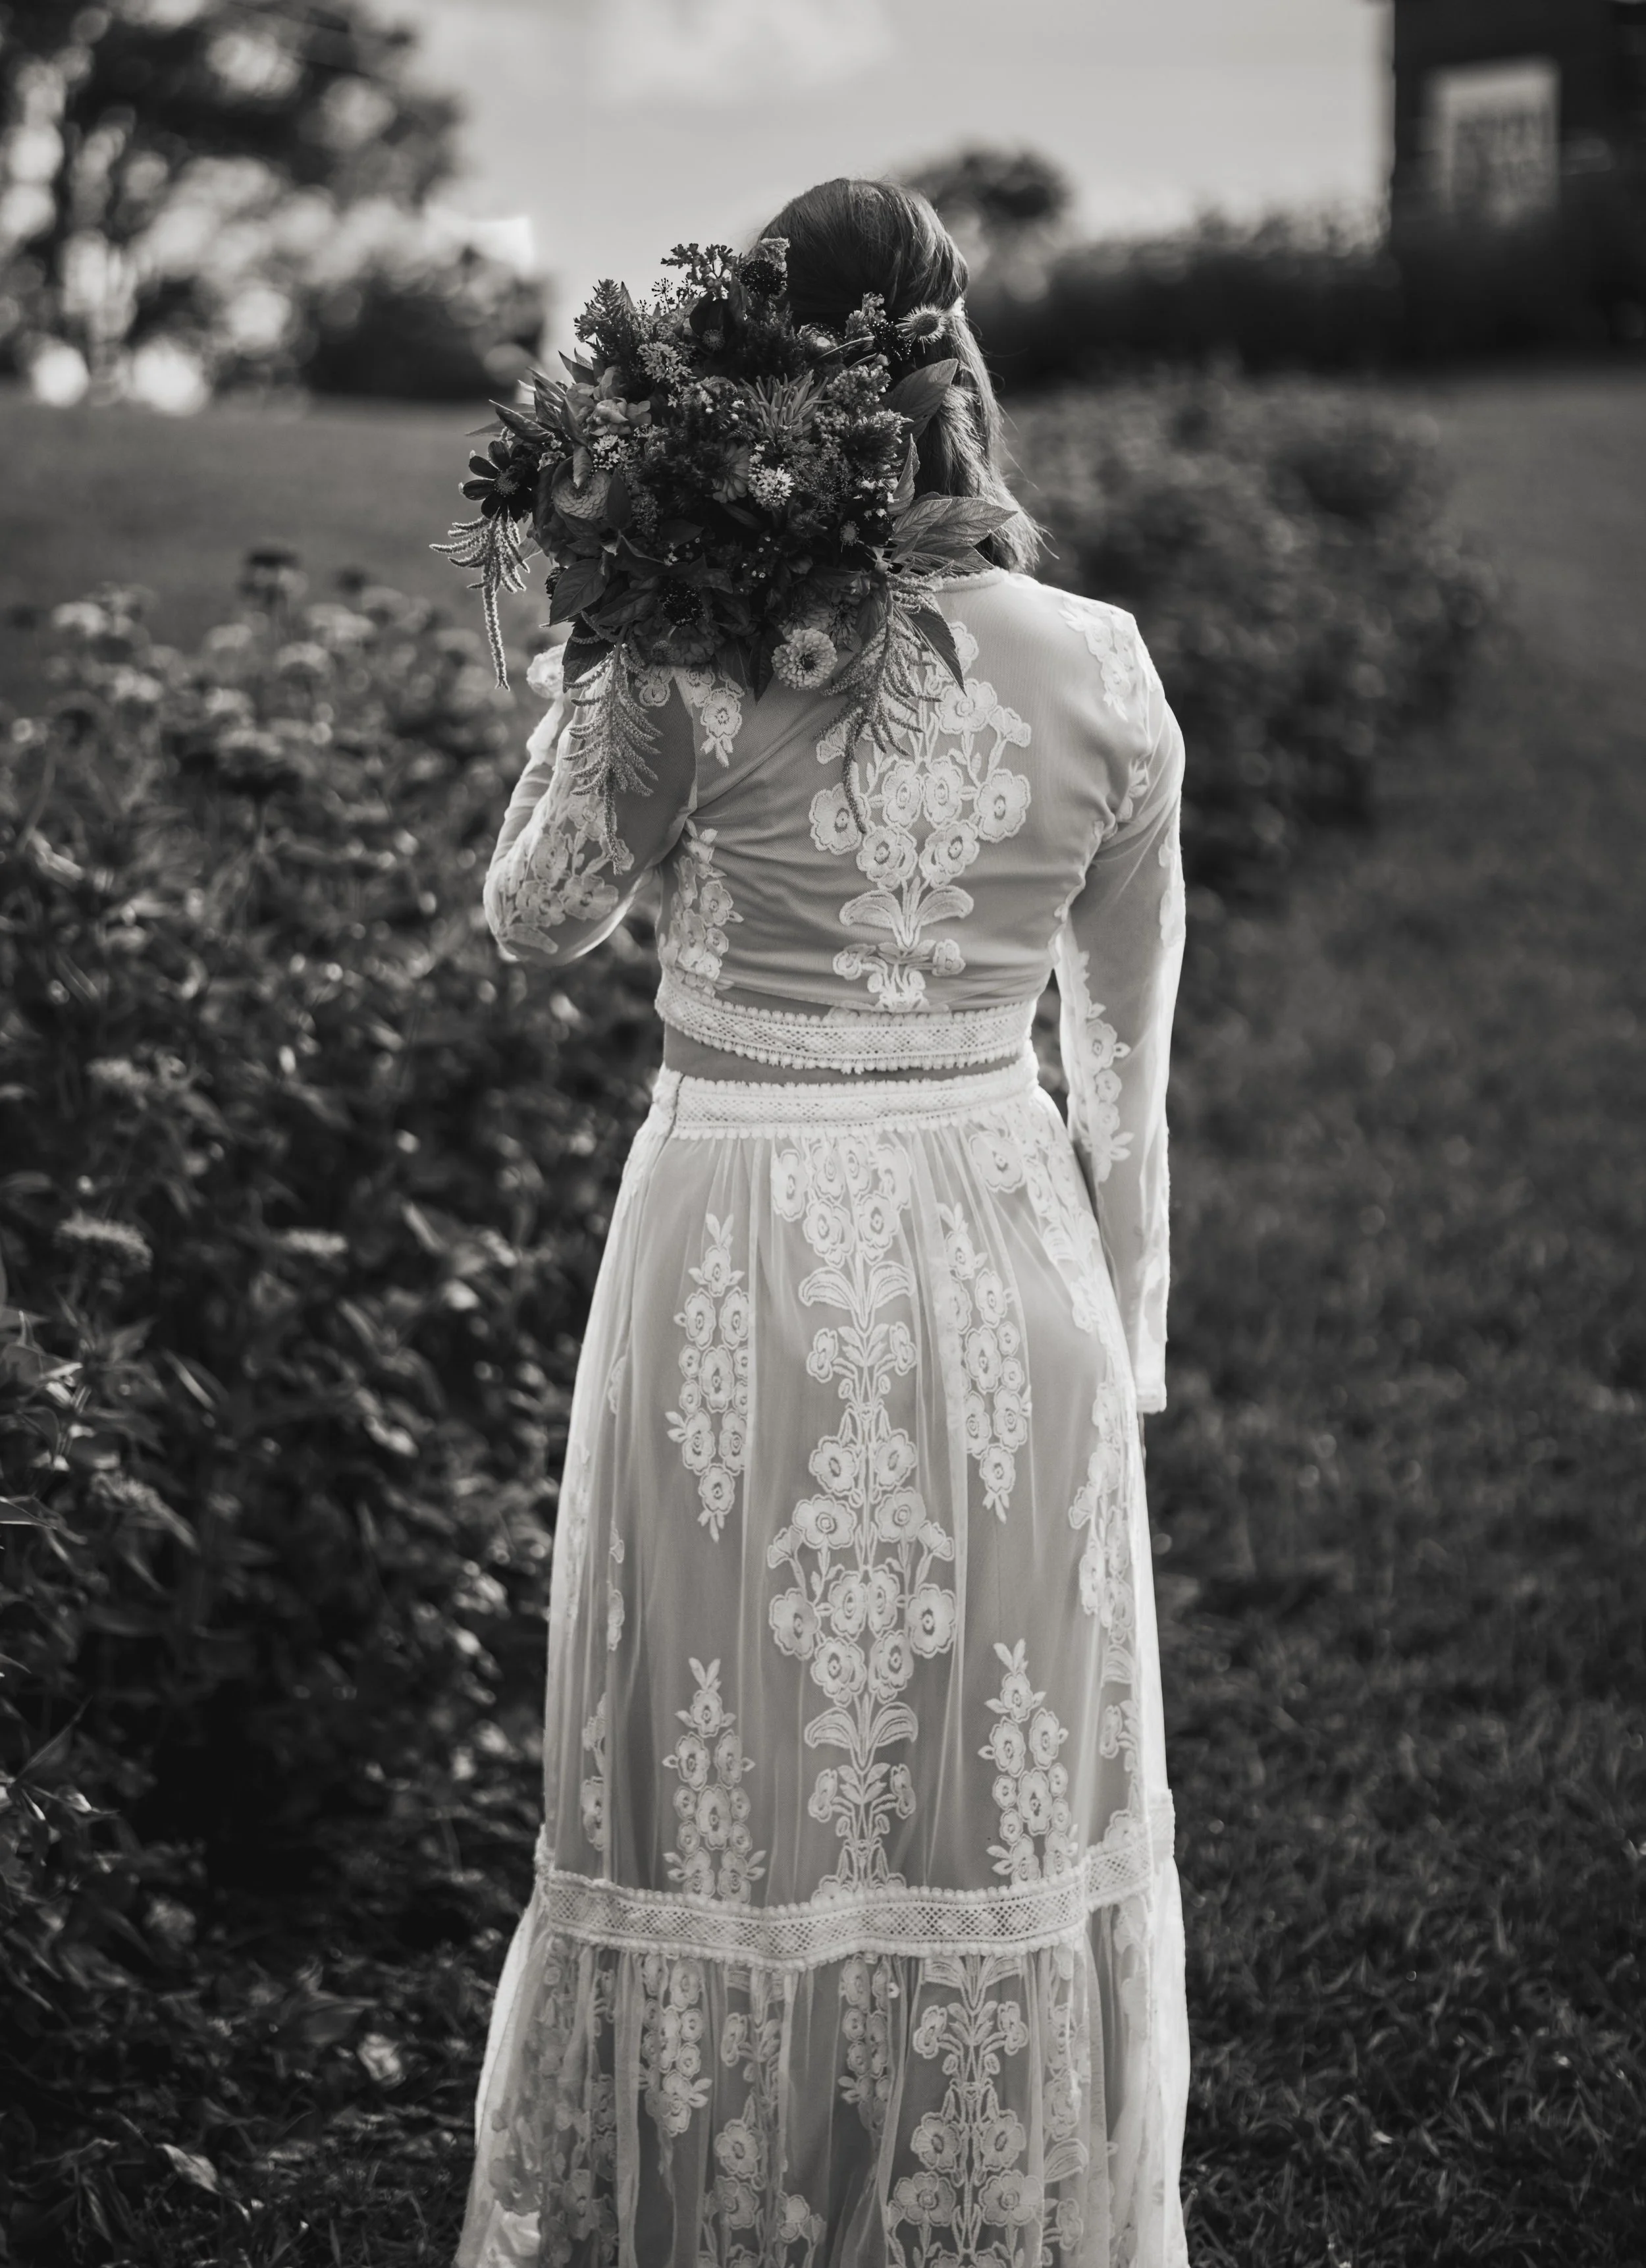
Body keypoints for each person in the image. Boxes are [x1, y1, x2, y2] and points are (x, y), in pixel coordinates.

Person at [457, 177, 1190, 2268]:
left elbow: (533, 918)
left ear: (736, 384)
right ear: (959, 375)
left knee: (732, 1783)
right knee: (982, 1780)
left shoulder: (688, 658)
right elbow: (1120, 1057)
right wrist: (1117, 1318)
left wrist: (598, 641)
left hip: (741, 1252)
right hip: (1002, 1256)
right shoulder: (1105, 673)